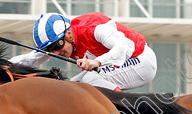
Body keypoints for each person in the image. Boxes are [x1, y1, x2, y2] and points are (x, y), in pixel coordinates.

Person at [10, 12, 158, 92]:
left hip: (141, 60)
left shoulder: (94, 29)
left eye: (56, 47)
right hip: (124, 64)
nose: (55, 53)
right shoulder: (62, 40)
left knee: (89, 79)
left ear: (68, 34)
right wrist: (0, 65)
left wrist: (96, 62)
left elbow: (125, 46)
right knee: (69, 87)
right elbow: (30, 59)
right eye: (49, 50)